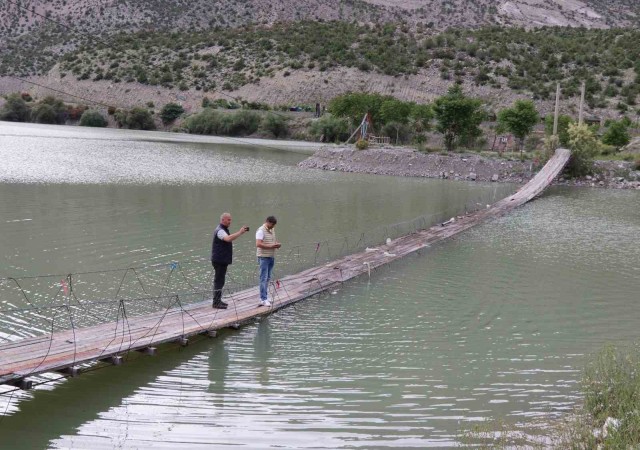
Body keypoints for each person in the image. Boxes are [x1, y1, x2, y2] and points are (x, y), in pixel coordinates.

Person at [211, 212, 249, 309]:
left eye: (230, 220)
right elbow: (228, 239)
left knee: (221, 281)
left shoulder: (223, 229)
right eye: (228, 220)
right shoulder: (220, 231)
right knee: (218, 281)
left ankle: (218, 300)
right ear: (222, 220)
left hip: (222, 260)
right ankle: (216, 303)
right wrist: (240, 232)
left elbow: (229, 238)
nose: (230, 221)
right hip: (219, 260)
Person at [255, 216, 281, 307]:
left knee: (268, 277)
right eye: (271, 224)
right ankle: (263, 299)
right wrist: (271, 246)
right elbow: (258, 244)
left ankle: (265, 296)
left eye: (274, 225)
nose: (272, 226)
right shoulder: (260, 231)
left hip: (271, 256)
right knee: (263, 278)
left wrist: (277, 244)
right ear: (267, 222)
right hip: (263, 257)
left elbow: (272, 241)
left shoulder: (272, 230)